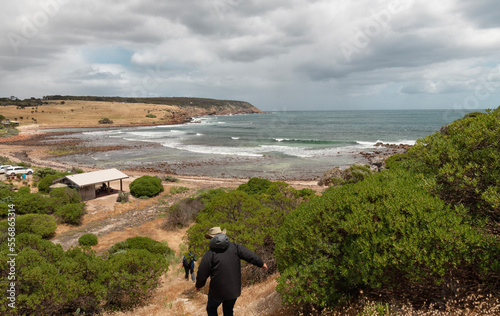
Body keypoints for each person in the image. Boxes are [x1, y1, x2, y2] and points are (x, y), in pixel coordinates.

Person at [195, 227, 268, 316]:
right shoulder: (235, 247)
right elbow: (249, 255)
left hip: (217, 292)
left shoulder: (210, 253)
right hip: (233, 290)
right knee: (228, 310)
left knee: (211, 308)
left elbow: (202, 272)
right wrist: (261, 263)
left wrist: (199, 285)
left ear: (212, 238)